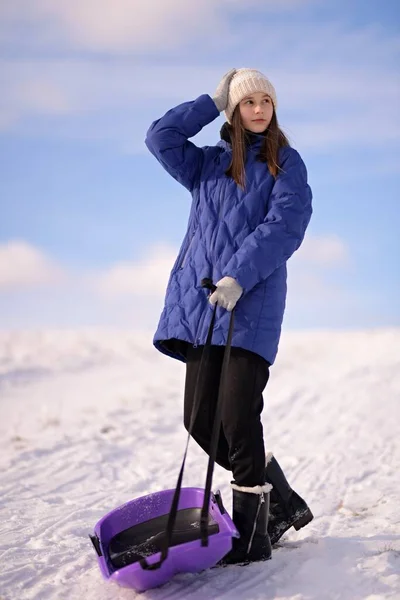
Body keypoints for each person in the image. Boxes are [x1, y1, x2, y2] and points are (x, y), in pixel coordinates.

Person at [145, 68, 313, 564]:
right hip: (203, 309)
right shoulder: (205, 165)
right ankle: (277, 502)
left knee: (238, 418)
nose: (259, 109)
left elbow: (287, 224)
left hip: (251, 308)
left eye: (266, 101)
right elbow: (160, 136)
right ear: (234, 111)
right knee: (199, 421)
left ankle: (251, 535)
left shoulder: (286, 162)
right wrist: (211, 100)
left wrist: (239, 274)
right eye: (247, 102)